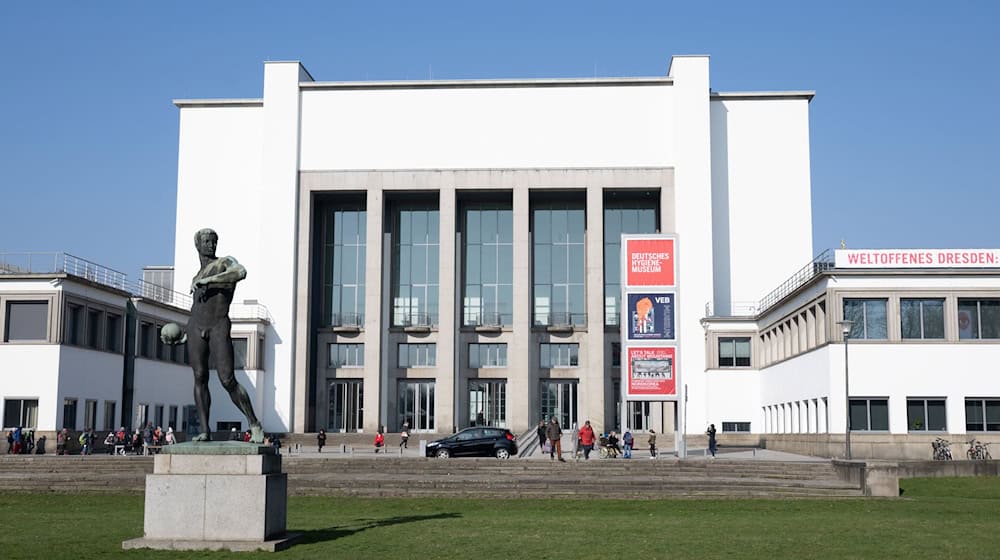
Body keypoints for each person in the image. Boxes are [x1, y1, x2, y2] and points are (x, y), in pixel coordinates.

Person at [162, 228, 264, 444]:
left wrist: (209, 282)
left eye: (214, 241)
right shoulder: (196, 277)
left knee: (227, 379)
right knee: (199, 377)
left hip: (218, 326)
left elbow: (240, 272)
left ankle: (254, 423)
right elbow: (196, 308)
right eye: (207, 241)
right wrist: (185, 334)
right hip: (196, 328)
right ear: (197, 245)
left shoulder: (224, 263)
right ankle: (205, 430)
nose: (211, 244)